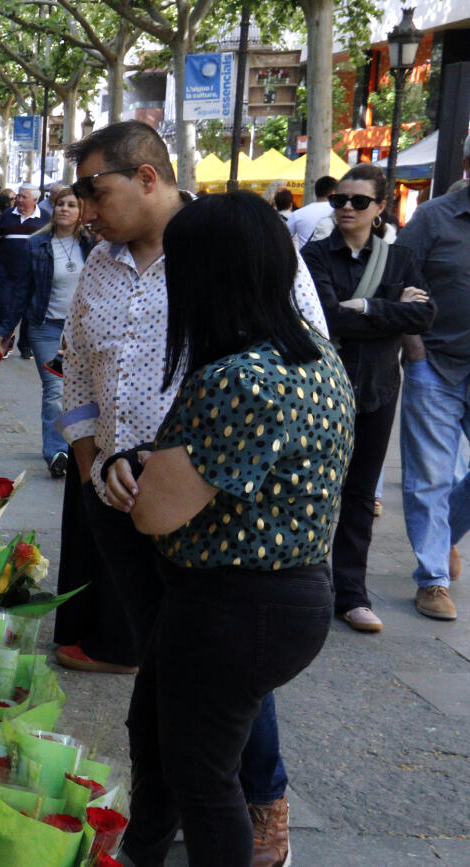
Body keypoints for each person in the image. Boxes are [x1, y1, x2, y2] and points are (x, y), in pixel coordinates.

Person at [58, 120, 329, 866]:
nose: (84, 206)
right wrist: (93, 471)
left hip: (226, 547)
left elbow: (289, 370)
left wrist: (153, 480)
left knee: (209, 713)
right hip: (152, 514)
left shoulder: (243, 339)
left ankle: (256, 802)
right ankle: (148, 837)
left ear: (149, 177)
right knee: (166, 690)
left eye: (94, 187)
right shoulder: (101, 270)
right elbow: (77, 375)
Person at [105, 191, 354, 867]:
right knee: (159, 746)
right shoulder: (316, 360)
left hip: (234, 607)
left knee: (202, 779)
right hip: (279, 598)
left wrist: (145, 476)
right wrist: (146, 465)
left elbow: (157, 512)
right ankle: (139, 855)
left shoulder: (238, 378)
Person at [302, 164, 434, 633]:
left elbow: (423, 317)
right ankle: (306, 584)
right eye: (340, 200)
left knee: (360, 495)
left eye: (359, 202)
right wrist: (391, 309)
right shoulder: (314, 256)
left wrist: (363, 306)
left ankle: (351, 595)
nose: (346, 209)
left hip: (377, 390)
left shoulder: (400, 260)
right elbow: (325, 318)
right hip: (322, 392)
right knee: (312, 488)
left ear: (380, 208)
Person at [394, 135, 470, 621]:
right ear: (467, 163)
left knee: (441, 483)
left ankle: (444, 538)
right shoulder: (433, 217)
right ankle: (432, 581)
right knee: (429, 478)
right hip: (435, 363)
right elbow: (399, 278)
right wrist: (413, 350)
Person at [22, 185, 93, 478]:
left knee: (82, 391)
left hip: (84, 331)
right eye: (61, 204)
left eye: (72, 205)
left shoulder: (93, 245)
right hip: (47, 328)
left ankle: (81, 447)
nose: (64, 209)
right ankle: (56, 453)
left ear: (81, 212)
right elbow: (22, 289)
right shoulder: (37, 244)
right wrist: (6, 329)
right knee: (55, 390)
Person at [0, 181, 48, 360]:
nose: (19, 200)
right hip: (8, 272)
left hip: (33, 275)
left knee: (29, 312)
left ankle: (25, 346)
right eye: (18, 196)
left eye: (24, 197)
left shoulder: (45, 219)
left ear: (35, 199)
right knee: (4, 307)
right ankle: (6, 341)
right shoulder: (7, 216)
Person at [287, 175, 336, 248]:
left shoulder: (298, 213)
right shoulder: (338, 211)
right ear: (333, 193)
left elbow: (284, 236)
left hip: (306, 256)